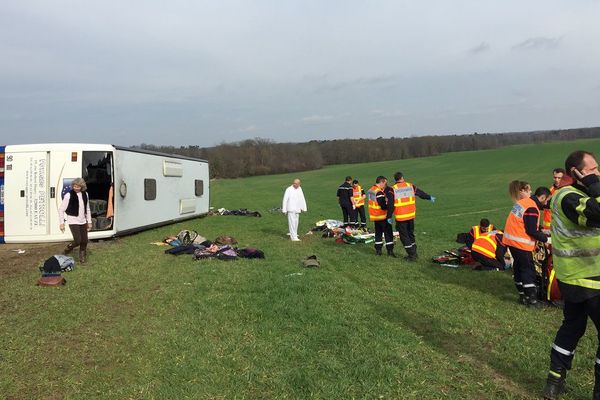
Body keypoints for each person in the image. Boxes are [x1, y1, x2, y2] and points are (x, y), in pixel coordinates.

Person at [542, 151, 600, 400]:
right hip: (589, 278)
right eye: (593, 169)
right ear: (576, 172)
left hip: (572, 277)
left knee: (572, 327)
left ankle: (554, 381)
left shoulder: (572, 195)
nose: (598, 173)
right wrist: (593, 185)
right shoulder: (569, 197)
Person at [502, 181, 550, 307]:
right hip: (521, 243)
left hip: (511, 241)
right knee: (528, 270)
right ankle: (532, 300)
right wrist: (546, 239)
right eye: (546, 201)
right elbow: (530, 230)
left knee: (518, 268)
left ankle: (523, 295)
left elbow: (524, 222)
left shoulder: (523, 203)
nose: (546, 204)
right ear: (543, 197)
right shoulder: (532, 207)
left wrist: (541, 229)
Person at [391, 171, 435, 261]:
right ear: (402, 177)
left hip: (401, 217)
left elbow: (391, 204)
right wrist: (429, 197)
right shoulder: (410, 186)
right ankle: (414, 252)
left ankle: (412, 255)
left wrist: (388, 216)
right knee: (410, 234)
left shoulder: (393, 189)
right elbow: (420, 193)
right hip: (411, 216)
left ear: (395, 179)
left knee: (404, 236)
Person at [58, 177, 92, 263]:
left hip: (83, 220)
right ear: (72, 186)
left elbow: (87, 209)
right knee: (77, 240)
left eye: (78, 186)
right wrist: (61, 223)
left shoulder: (85, 194)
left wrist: (89, 222)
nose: (76, 188)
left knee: (84, 240)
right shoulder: (68, 195)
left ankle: (82, 256)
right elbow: (61, 209)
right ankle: (67, 249)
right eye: (74, 186)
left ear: (82, 186)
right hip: (73, 220)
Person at [367, 176, 395, 257]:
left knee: (378, 234)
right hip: (382, 216)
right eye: (385, 183)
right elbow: (382, 205)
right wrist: (389, 204)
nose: (385, 185)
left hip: (375, 216)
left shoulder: (370, 190)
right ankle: (390, 252)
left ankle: (378, 251)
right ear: (381, 182)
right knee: (388, 234)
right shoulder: (378, 192)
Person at [542, 168, 566, 232]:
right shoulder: (550, 190)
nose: (556, 180)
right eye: (555, 177)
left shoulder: (566, 191)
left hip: (559, 228)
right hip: (548, 228)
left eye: (559, 178)